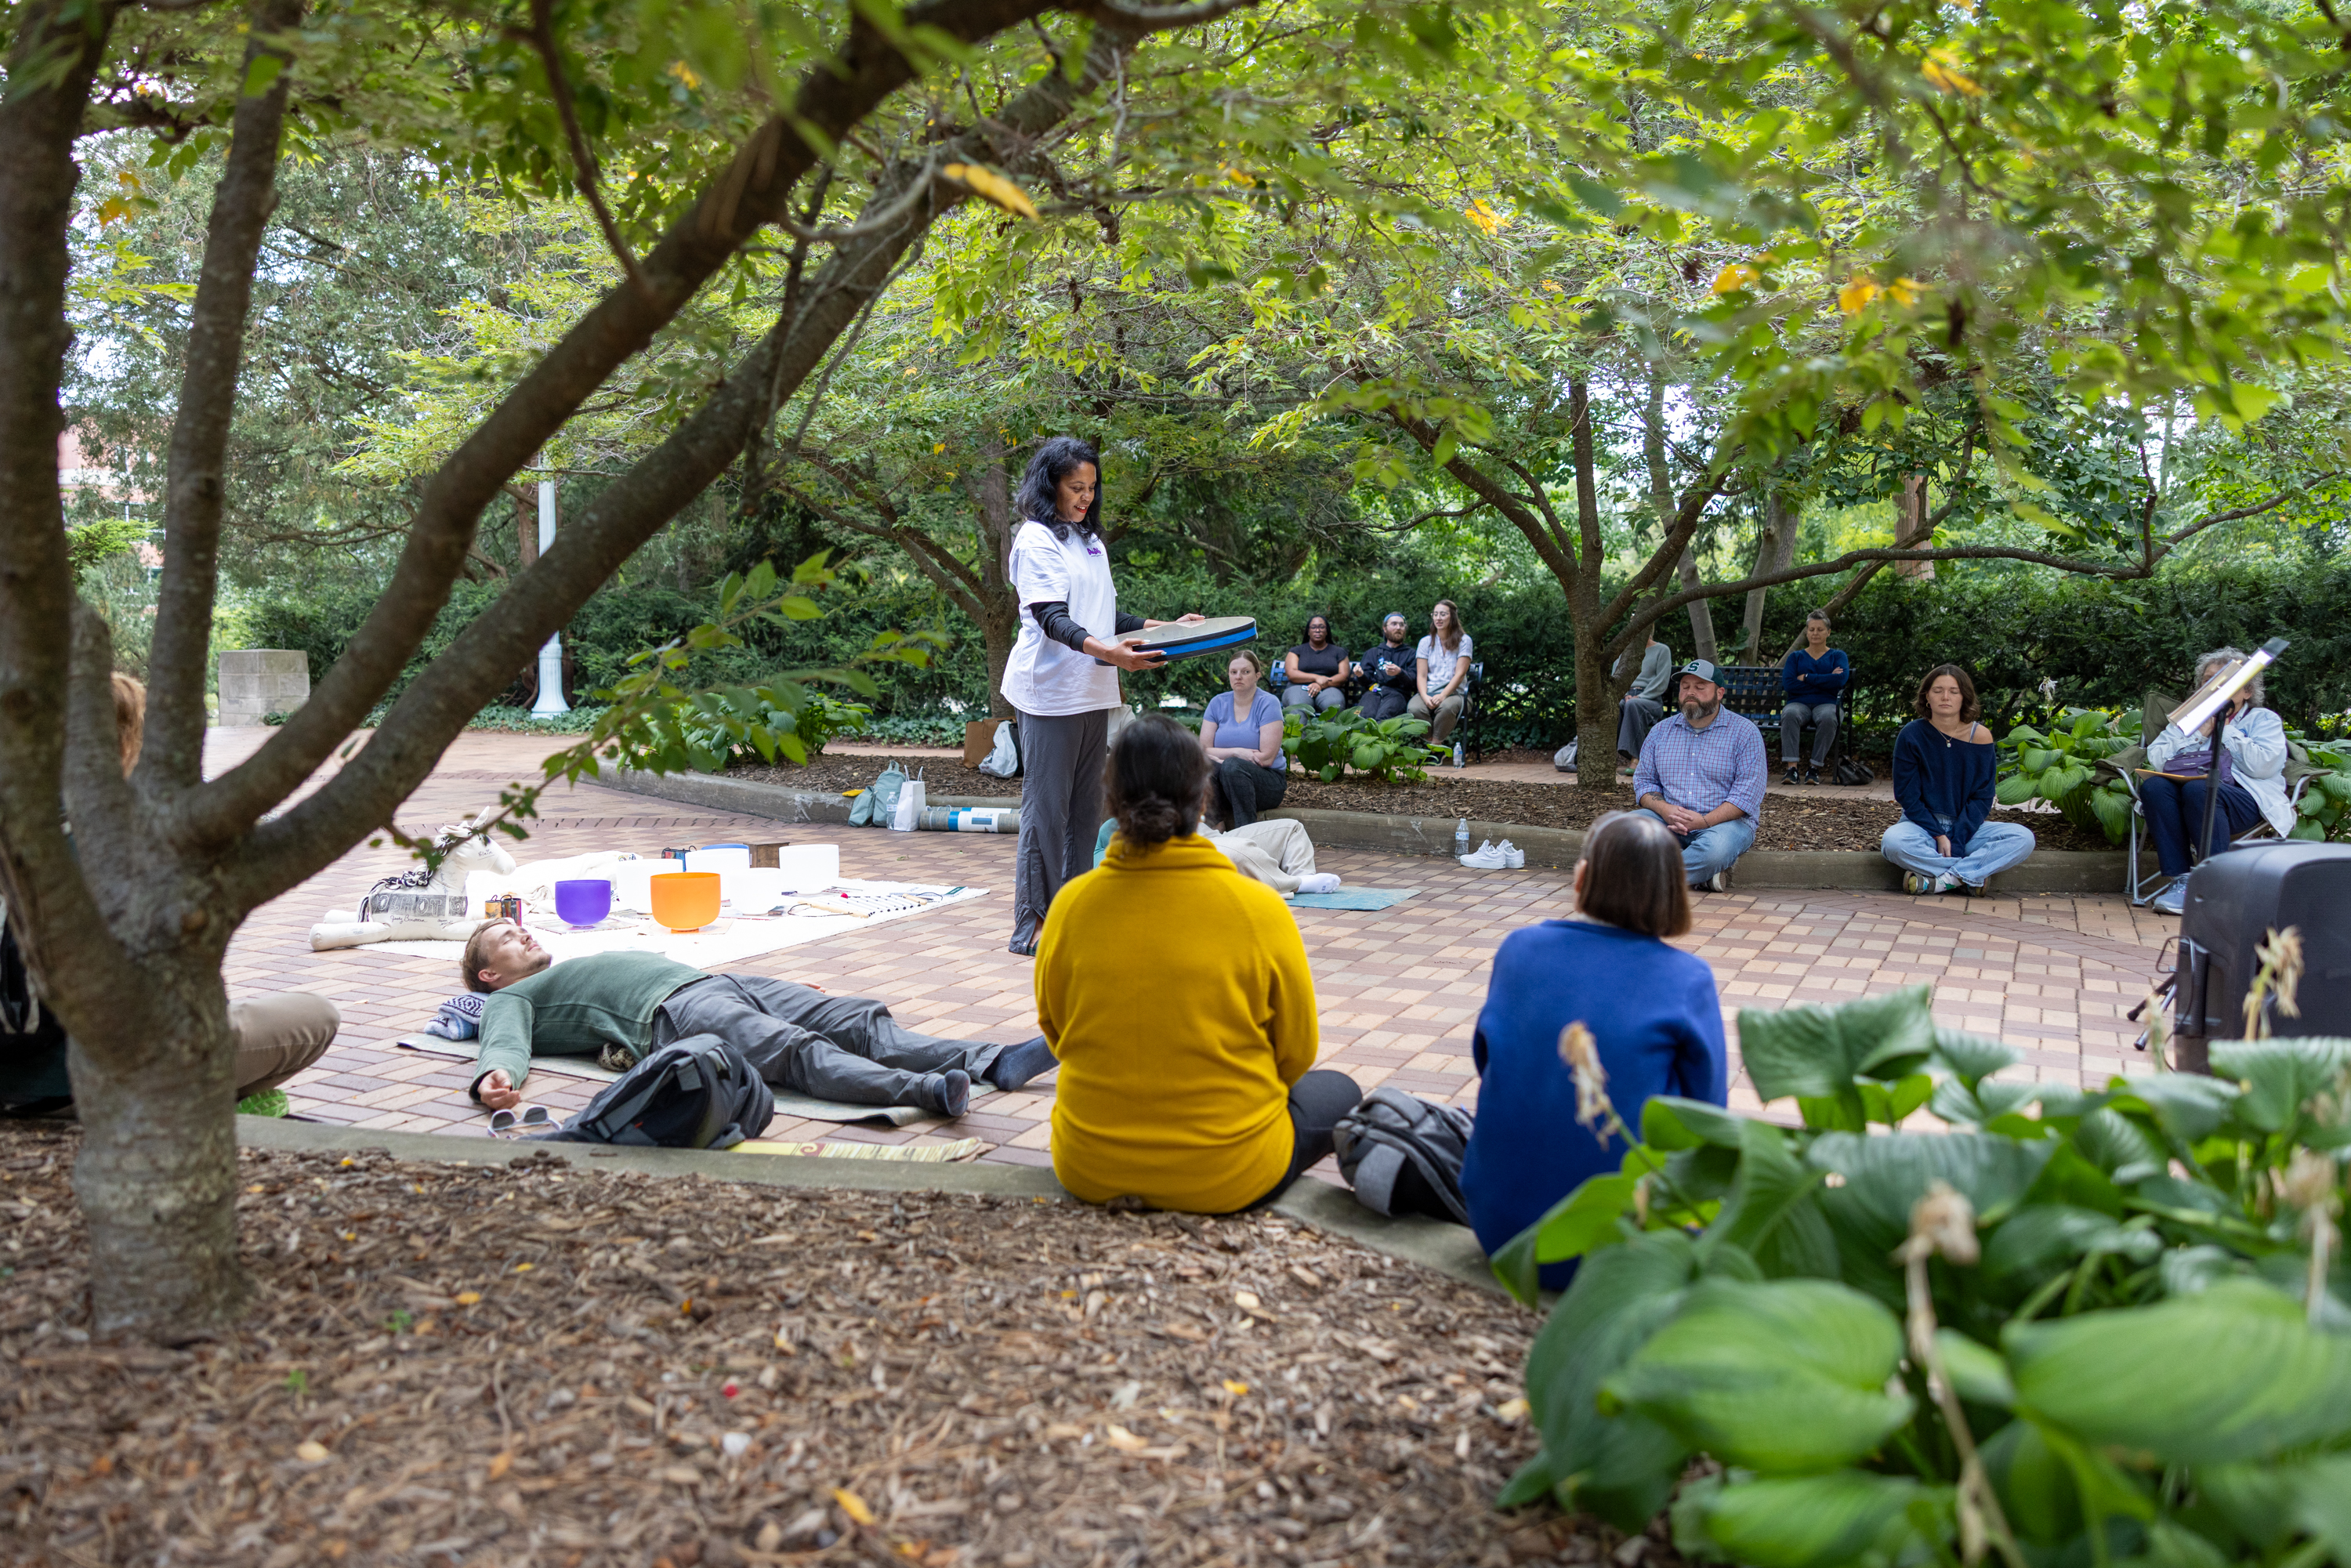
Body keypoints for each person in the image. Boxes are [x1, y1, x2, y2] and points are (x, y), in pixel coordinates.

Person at [1038, 715, 1360, 1213]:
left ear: (1110, 801)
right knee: (1340, 1090)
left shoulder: (1069, 907)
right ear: (1203, 799)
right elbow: (1296, 1053)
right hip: (1229, 1173)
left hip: (1089, 1165)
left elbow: (1056, 1033)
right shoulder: (1260, 910)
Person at [2, 674, 337, 1116]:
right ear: (121, 744)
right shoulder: (114, 842)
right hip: (79, 1082)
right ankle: (190, 1105)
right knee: (315, 1017)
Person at [1458, 812, 1728, 1288]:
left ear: (1581, 878)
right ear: (1674, 891)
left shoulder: (1519, 949)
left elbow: (1488, 1062)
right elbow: (1707, 1117)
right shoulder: (1688, 979)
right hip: (1623, 1248)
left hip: (1500, 1229)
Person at [460, 922, 1059, 1117]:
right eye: (506, 939)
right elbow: (505, 1036)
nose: (523, 933)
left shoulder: (562, 966)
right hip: (678, 1013)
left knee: (856, 1019)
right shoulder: (513, 996)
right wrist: (495, 1074)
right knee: (795, 1050)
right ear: (491, 974)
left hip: (722, 984)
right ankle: (927, 1091)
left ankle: (995, 1061)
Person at [1000, 436, 1201, 956]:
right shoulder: (1035, 539)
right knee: (1046, 814)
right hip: (1049, 695)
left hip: (1092, 693)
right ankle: (1033, 926)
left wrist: (1166, 627)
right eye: (1075, 487)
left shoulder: (1090, 541)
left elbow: (1106, 619)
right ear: (1050, 486)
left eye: (1091, 487)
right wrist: (1113, 655)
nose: (1085, 497)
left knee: (1085, 816)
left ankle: (1076, 918)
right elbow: (1052, 619)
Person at [2139, 646, 2295, 914]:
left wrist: (2225, 730)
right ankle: (2183, 881)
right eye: (2208, 680)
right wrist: (2199, 734)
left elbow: (2263, 766)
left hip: (2245, 801)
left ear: (2247, 691)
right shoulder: (2186, 721)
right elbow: (2157, 759)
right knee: (2154, 786)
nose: (2215, 687)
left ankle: (2217, 884)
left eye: (2226, 681)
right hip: (2187, 797)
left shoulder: (2263, 719)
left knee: (2201, 789)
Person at [1882, 664, 2036, 896]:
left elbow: (1983, 797)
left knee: (2023, 838)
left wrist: (1958, 838)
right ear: (1927, 696)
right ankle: (1969, 876)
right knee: (1893, 843)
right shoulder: (1911, 735)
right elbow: (1907, 796)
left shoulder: (1981, 737)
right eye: (1938, 690)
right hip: (1921, 828)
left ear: (1964, 697)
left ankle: (1942, 881)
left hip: (1969, 827)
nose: (1945, 697)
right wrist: (1939, 835)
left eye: (1954, 691)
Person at [1632, 658, 1768, 892]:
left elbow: (1747, 795)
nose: (1690, 693)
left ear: (1719, 693)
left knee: (1715, 851)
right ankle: (1699, 878)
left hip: (1724, 825)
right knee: (1623, 830)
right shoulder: (1660, 732)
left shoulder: (1745, 733)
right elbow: (1644, 782)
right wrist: (1666, 810)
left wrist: (1704, 821)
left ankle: (1643, 880)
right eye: (1685, 687)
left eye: (1700, 687)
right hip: (1669, 820)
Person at [1201, 650, 1288, 829]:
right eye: (1234, 672)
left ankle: (1246, 834)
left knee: (1232, 767)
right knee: (1204, 767)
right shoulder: (1217, 703)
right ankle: (1216, 830)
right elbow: (1203, 749)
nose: (1238, 677)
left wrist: (1223, 759)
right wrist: (1236, 752)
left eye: (1245, 672)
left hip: (1267, 783)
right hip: (1227, 784)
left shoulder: (1268, 703)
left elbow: (1266, 758)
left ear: (1257, 675)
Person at [1779, 610, 1849, 784]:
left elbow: (1840, 680)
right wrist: (1827, 678)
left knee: (1829, 717)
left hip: (1828, 703)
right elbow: (1789, 684)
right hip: (1798, 703)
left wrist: (1807, 677)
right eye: (1812, 629)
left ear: (1828, 632)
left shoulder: (1838, 656)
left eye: (1820, 629)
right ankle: (1792, 770)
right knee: (1789, 714)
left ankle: (1814, 769)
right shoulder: (1795, 657)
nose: (1815, 633)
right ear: (1807, 632)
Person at [1411, 599, 1473, 749]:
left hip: (1455, 694)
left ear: (1452, 617)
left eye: (1443, 614)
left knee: (1446, 708)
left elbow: (1460, 674)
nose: (1438, 618)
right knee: (1414, 709)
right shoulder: (1425, 642)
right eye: (1435, 614)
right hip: (1429, 691)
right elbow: (1421, 676)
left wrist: (1443, 695)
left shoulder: (1464, 641)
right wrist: (1425, 697)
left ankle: (1436, 747)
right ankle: (1433, 743)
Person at [1615, 629, 1675, 773]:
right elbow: (1615, 677)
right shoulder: (1624, 653)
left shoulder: (1662, 650)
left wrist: (1641, 697)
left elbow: (1661, 681)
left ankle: (1636, 758)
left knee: (1633, 705)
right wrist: (1625, 695)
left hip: (1651, 700)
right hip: (1627, 696)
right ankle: (1609, 757)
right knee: (1616, 706)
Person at [1282, 616, 1351, 713]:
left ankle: (1332, 729)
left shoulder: (1339, 652)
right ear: (1308, 631)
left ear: (1327, 631)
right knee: (1298, 706)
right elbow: (1292, 674)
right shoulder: (1296, 651)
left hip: (1330, 688)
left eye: (1321, 627)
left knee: (1335, 704)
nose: (1317, 630)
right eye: (1313, 627)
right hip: (1298, 688)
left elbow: (1343, 676)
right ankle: (1299, 729)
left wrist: (1321, 685)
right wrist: (1316, 678)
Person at [1357, 613, 1417, 721]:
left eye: (1401, 625)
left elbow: (1414, 682)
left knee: (1383, 719)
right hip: (1373, 693)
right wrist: (1360, 675)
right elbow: (1366, 682)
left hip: (1398, 695)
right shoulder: (1372, 653)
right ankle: (1364, 738)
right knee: (1365, 719)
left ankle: (1378, 738)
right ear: (1385, 628)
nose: (1398, 628)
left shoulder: (1411, 654)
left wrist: (1400, 673)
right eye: (1394, 624)